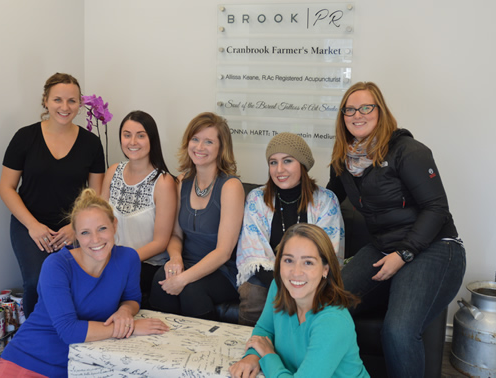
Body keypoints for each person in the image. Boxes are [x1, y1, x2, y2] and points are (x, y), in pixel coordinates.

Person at [327, 81, 466, 377]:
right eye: (349, 109)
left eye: (366, 107)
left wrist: (403, 253)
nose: (357, 114)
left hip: (436, 248)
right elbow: (325, 200)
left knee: (398, 331)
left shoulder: (409, 151)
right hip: (383, 246)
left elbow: (437, 210)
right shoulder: (342, 161)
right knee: (330, 304)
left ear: (380, 111)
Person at [0, 189, 169, 377]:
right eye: (85, 232)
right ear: (75, 235)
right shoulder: (57, 266)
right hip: (30, 360)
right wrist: (130, 327)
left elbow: (131, 298)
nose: (95, 239)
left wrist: (125, 312)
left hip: (83, 363)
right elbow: (69, 331)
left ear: (114, 225)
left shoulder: (128, 258)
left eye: (102, 228)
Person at [0, 73, 106, 317]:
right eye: (58, 100)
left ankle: (69, 338)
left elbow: (96, 194)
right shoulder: (24, 137)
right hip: (30, 225)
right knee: (37, 283)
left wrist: (75, 227)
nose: (65, 107)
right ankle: (34, 342)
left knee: (73, 284)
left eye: (72, 101)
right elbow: (6, 188)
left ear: (80, 104)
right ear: (46, 101)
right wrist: (33, 226)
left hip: (73, 227)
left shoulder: (91, 143)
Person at [230, 223, 368, 378]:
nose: (296, 272)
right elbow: (265, 329)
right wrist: (252, 356)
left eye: (308, 262)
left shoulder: (333, 322)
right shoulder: (280, 286)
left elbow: (267, 349)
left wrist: (268, 356)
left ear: (325, 269)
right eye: (288, 260)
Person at [236, 132, 344, 326]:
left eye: (287, 161)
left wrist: (298, 281)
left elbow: (327, 253)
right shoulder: (257, 199)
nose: (279, 169)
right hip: (268, 277)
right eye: (273, 162)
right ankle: (252, 348)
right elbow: (254, 253)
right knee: (254, 293)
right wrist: (286, 284)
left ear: (302, 165)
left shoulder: (326, 201)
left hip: (312, 275)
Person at [149, 112, 245, 319]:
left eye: (208, 142)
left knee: (192, 290)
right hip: (187, 261)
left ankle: (200, 348)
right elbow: (175, 235)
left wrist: (182, 279)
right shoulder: (182, 181)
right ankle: (162, 346)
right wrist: (174, 260)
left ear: (221, 148)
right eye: (195, 139)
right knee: (159, 279)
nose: (199, 147)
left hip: (222, 270)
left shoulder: (230, 186)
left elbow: (223, 252)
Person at [101, 110, 177, 308]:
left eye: (140, 135)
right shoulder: (112, 172)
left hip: (145, 264)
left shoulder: (164, 182)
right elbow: (99, 222)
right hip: (108, 258)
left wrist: (121, 261)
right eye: (127, 135)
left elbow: (161, 242)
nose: (132, 141)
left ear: (152, 139)